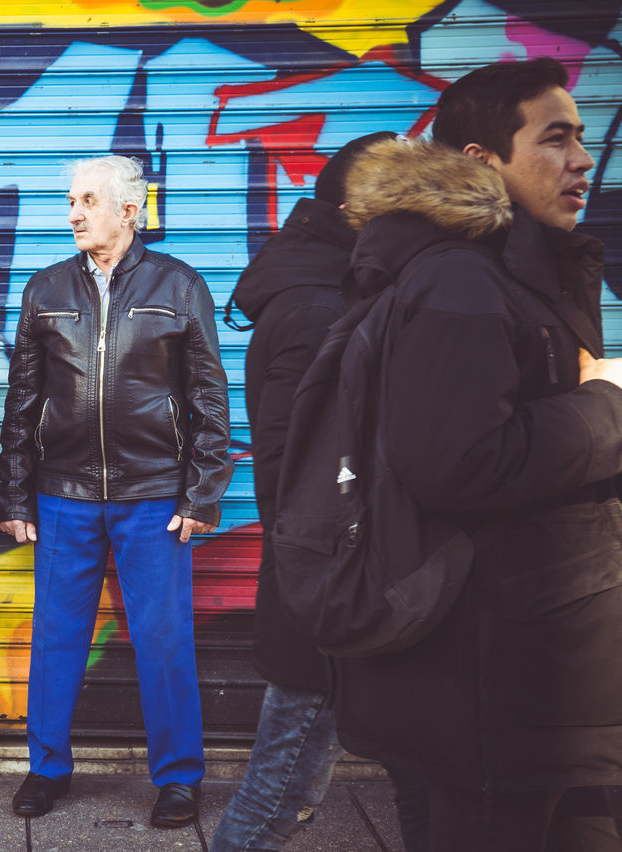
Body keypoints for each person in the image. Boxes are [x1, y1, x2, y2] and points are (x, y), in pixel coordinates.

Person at [330, 58, 622, 850]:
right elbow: (456, 462)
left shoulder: (525, 273)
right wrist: (606, 408)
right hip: (503, 687)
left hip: (552, 670)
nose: (582, 159)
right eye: (556, 138)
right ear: (480, 162)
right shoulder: (463, 281)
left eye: (583, 138)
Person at [210, 131, 433, 852]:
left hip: (344, 576)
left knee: (398, 770)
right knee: (279, 788)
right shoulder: (316, 306)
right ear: (358, 210)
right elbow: (297, 467)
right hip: (335, 582)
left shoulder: (335, 286)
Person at [0, 154, 232, 828]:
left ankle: (179, 779)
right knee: (56, 637)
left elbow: (209, 399)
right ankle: (47, 769)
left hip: (155, 495)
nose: (74, 212)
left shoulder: (179, 285)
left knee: (162, 639)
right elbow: (22, 400)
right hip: (63, 494)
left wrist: (203, 493)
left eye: (88, 201)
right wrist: (15, 495)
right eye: (71, 199)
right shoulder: (45, 290)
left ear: (129, 211)